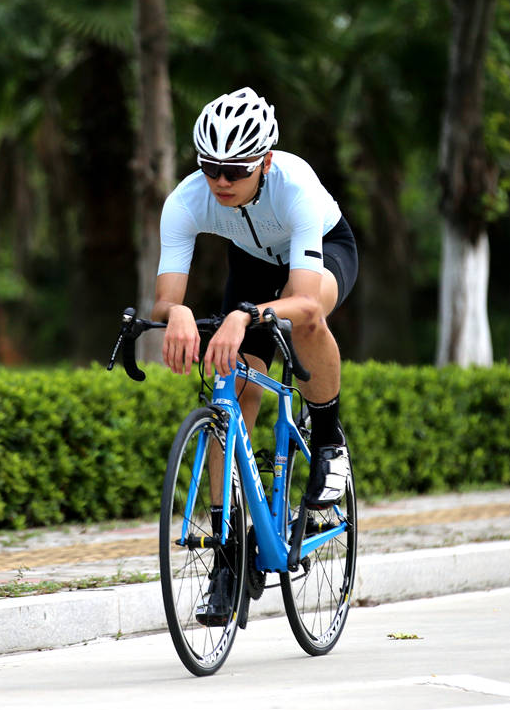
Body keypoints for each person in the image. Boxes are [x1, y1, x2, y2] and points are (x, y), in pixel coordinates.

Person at [151, 86, 358, 626]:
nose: (221, 181)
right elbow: (166, 296)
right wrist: (175, 312)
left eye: (236, 170)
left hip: (319, 257)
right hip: (250, 267)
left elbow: (305, 296)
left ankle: (330, 439)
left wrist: (244, 316)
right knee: (232, 396)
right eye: (211, 167)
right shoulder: (187, 199)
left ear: (264, 161)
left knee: (305, 317)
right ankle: (228, 554)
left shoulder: (297, 190)